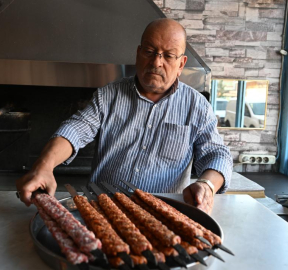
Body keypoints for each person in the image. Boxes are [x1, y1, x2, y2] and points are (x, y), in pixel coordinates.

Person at [16, 18, 232, 214]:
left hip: (163, 216)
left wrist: (207, 185)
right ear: (138, 53)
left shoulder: (197, 106)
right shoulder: (109, 95)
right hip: (102, 210)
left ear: (181, 64)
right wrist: (44, 166)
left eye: (168, 55)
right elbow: (75, 128)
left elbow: (217, 154)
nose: (157, 62)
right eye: (150, 51)